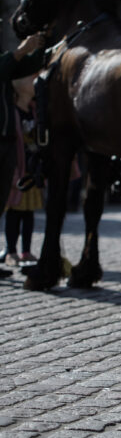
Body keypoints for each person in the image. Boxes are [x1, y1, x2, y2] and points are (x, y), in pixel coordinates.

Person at [0, 31, 45, 279]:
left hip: (8, 146)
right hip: (4, 145)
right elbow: (8, 64)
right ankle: (11, 249)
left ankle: (16, 252)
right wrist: (21, 49)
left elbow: (28, 66)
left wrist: (40, 44)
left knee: (3, 203)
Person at [2, 75, 43, 267]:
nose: (34, 82)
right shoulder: (13, 112)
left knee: (29, 213)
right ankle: (11, 251)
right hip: (18, 169)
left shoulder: (35, 111)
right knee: (14, 213)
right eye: (29, 80)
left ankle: (26, 251)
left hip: (33, 171)